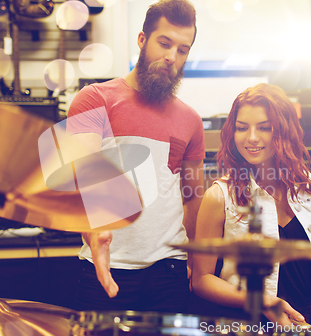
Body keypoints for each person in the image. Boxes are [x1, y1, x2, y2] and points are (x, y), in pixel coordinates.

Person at [66, 0, 205, 313]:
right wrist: (93, 233)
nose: (172, 57)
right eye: (164, 43)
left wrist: (194, 260)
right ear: (142, 40)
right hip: (105, 265)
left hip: (170, 270)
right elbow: (79, 182)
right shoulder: (93, 100)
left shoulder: (191, 120)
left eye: (182, 50)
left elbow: (193, 197)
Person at [191, 83, 311, 326]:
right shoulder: (219, 196)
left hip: (303, 324)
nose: (252, 138)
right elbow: (201, 279)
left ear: (284, 130)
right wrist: (263, 302)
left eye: (265, 128)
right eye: (242, 128)